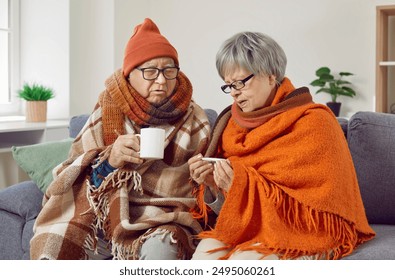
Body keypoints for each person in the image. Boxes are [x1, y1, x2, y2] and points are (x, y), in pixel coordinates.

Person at [30, 18, 211, 260]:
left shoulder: (195, 119)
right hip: (104, 218)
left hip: (164, 218)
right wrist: (110, 161)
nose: (161, 80)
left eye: (169, 71)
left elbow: (204, 193)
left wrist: (205, 178)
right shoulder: (106, 113)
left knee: (162, 247)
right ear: (129, 75)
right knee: (55, 245)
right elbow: (75, 177)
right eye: (150, 71)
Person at [188, 31, 375, 260]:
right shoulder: (231, 126)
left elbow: (320, 210)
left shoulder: (315, 122)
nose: (235, 92)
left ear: (270, 75)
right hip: (247, 225)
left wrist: (241, 184)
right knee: (203, 258)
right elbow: (229, 210)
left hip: (303, 231)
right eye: (228, 85)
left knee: (244, 263)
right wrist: (213, 185)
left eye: (241, 82)